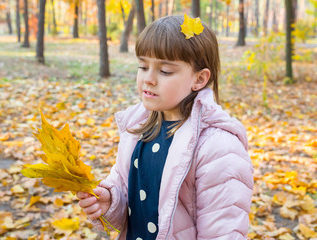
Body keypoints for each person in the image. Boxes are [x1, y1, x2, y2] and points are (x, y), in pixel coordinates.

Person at [77, 15, 254, 239]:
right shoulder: (138, 128)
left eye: (165, 71)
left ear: (199, 79)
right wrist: (110, 202)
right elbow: (125, 189)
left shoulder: (218, 148)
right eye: (143, 66)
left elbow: (223, 232)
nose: (148, 79)